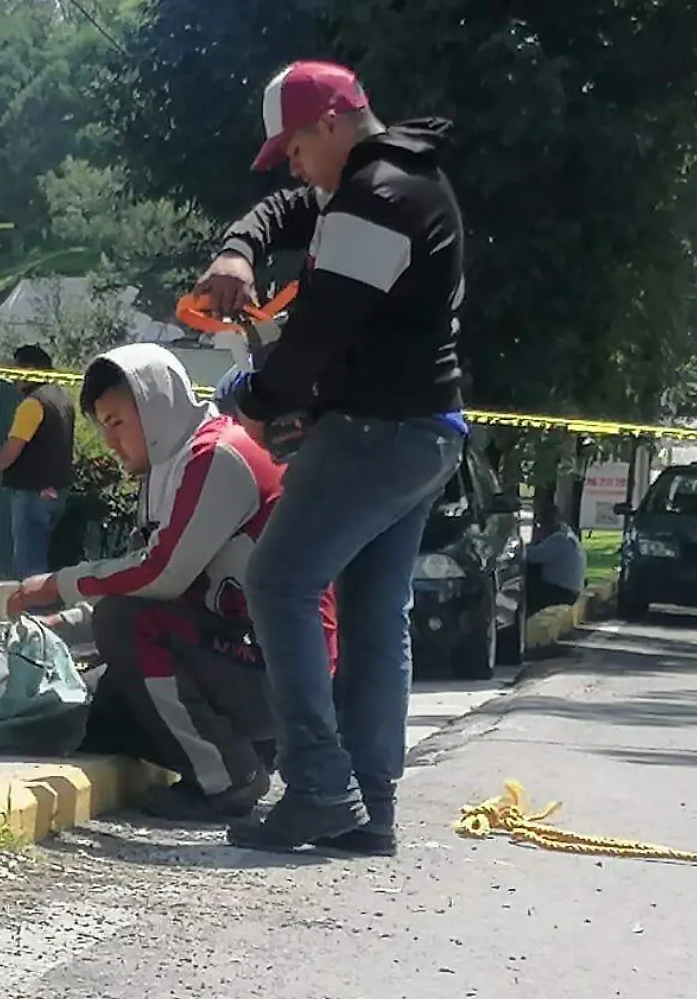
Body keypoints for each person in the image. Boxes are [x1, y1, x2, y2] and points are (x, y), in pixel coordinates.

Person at [196, 59, 468, 854]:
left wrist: (258, 396)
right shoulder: (387, 179)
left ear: (331, 125)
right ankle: (369, 804)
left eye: (293, 146)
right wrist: (241, 249)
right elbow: (288, 207)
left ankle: (319, 784)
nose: (289, 164)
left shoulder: (375, 201)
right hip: (425, 433)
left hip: (376, 434)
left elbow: (317, 335)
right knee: (377, 615)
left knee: (278, 581)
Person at [7, 344, 338, 823]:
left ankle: (228, 778)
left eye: (117, 422)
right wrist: (64, 624)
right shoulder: (170, 465)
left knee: (127, 627)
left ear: (154, 404)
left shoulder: (217, 456)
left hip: (281, 673)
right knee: (97, 714)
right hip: (238, 652)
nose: (109, 440)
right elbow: (164, 582)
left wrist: (57, 585)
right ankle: (232, 752)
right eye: (101, 426)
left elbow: (162, 574)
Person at [0, 344, 75, 579]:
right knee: (46, 560)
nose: (13, 377)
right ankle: (45, 611)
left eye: (16, 370)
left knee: (29, 564)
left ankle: (33, 613)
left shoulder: (33, 404)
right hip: (56, 491)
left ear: (30, 370)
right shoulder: (64, 400)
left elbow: (14, 447)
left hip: (33, 492)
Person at [525, 502, 587, 610]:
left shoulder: (558, 540)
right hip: (571, 590)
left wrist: (535, 540)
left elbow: (527, 556)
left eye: (540, 524)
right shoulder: (568, 536)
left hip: (562, 593)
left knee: (524, 581)